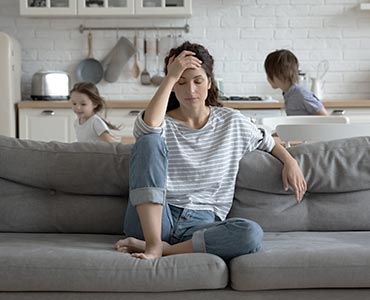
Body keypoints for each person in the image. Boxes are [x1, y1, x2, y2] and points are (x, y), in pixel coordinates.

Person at [115, 42, 307, 261]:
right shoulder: (161, 122)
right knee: (148, 141)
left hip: (201, 223)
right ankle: (152, 243)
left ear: (209, 83)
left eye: (198, 81)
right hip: (155, 216)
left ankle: (162, 249)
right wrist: (170, 76)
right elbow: (148, 128)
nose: (190, 90)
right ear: (173, 85)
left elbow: (269, 142)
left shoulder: (232, 122)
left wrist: (290, 161)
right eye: (181, 81)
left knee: (251, 233)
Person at [264, 49, 328, 116]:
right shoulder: (288, 93)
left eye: (268, 73)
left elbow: (325, 118)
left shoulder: (301, 94)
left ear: (279, 73)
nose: (267, 78)